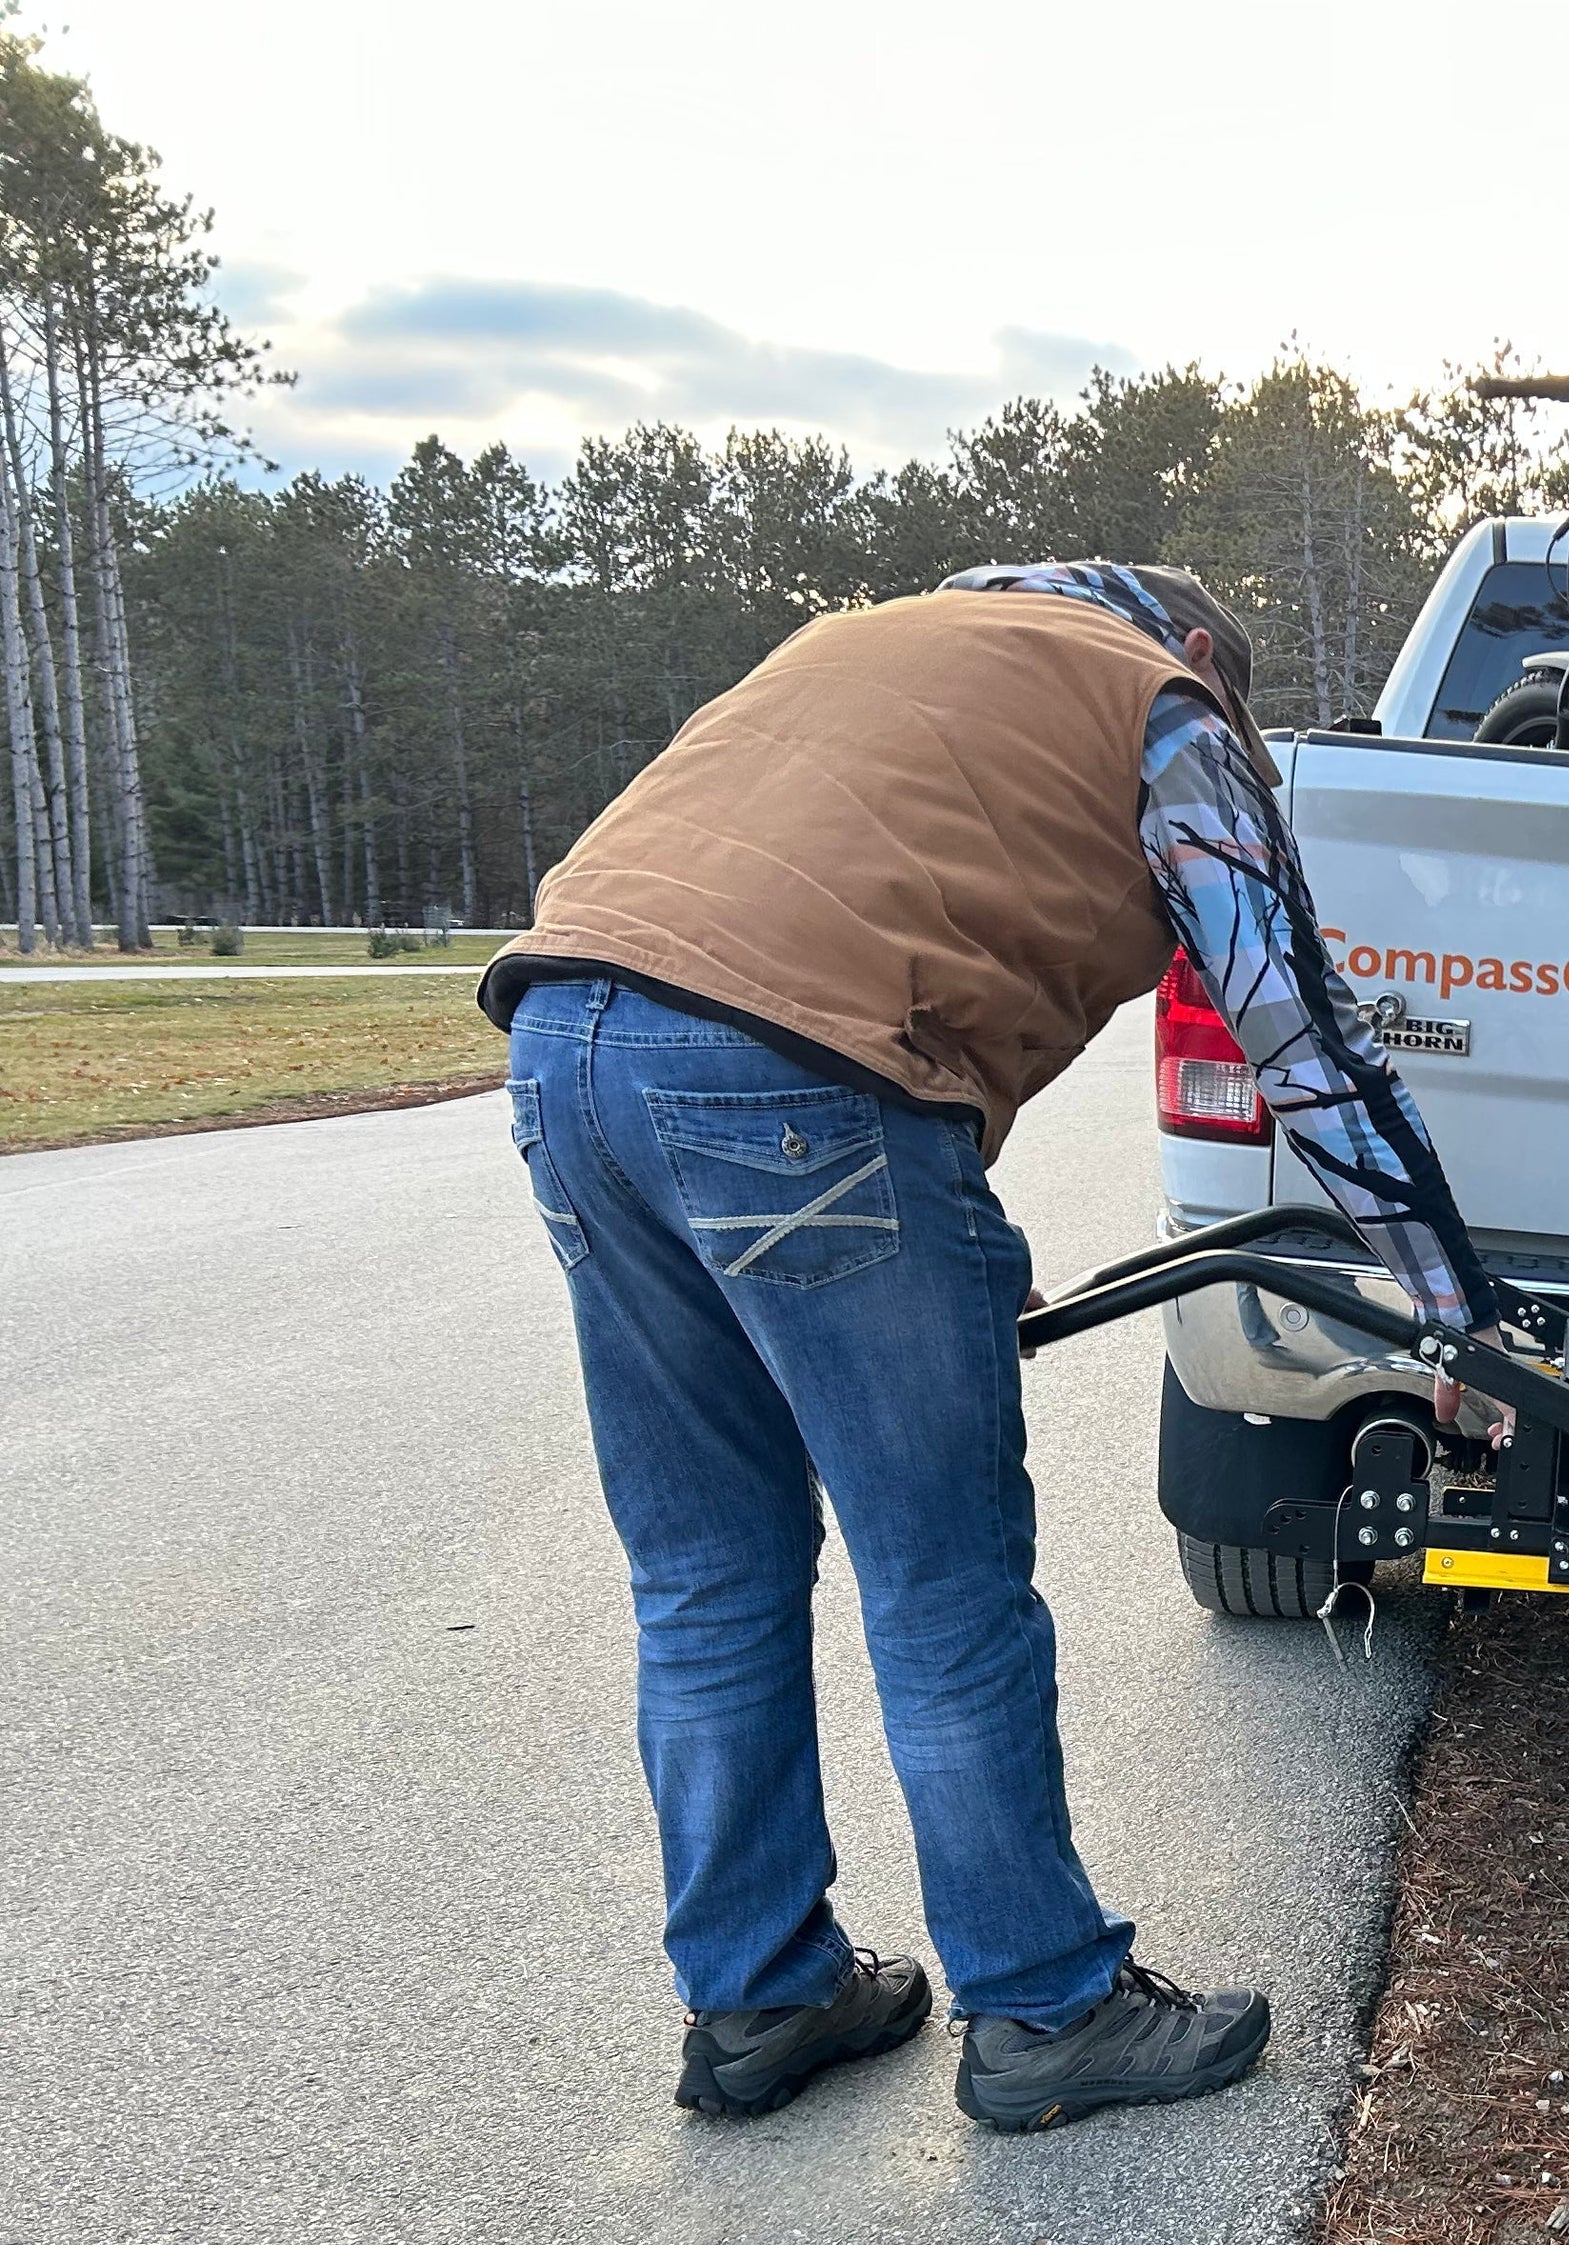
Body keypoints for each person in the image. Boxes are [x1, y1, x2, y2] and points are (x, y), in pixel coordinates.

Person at [483, 561, 1503, 2132]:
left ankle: (759, 1997)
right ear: (1204, 653)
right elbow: (1296, 1034)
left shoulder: (871, 637)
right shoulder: (1164, 709)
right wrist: (1455, 1309)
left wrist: (929, 1270)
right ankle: (1045, 2008)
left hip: (566, 1046)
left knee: (705, 1571)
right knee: (943, 1582)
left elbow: (842, 926)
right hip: (791, 1082)